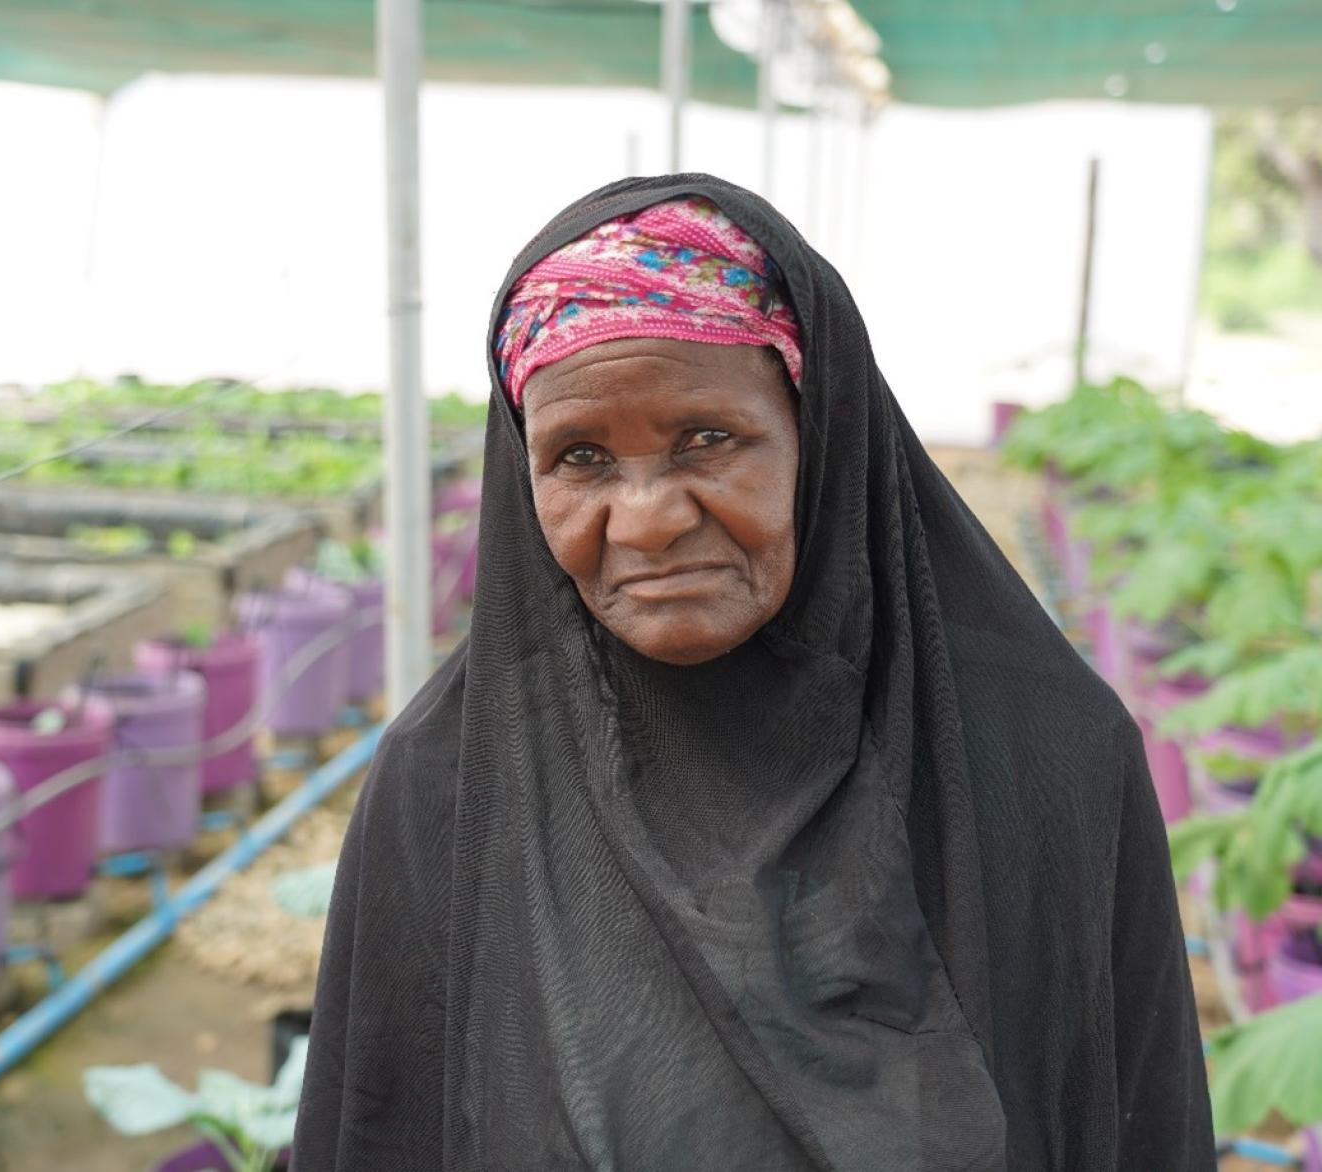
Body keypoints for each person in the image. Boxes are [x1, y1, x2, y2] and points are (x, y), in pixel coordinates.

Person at [291, 175, 1213, 1170]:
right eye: (581, 457)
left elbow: (1131, 1122)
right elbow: (380, 1123)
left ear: (824, 437)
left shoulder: (1046, 757)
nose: (645, 518)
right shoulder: (450, 783)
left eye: (709, 439)